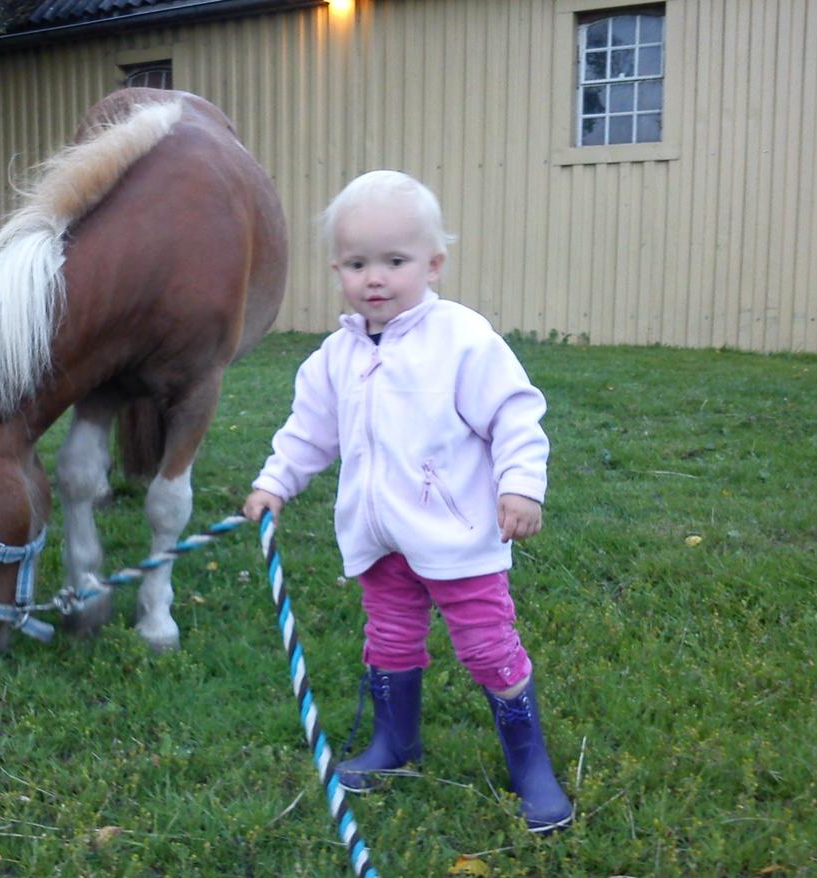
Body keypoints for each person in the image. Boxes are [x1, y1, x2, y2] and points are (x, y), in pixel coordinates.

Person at [242, 170, 573, 833]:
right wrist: (277, 481)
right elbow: (310, 432)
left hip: (458, 537)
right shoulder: (333, 358)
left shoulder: (462, 340)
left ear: (433, 263)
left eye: (395, 261)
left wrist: (519, 486)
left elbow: (514, 416)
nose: (376, 278)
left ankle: (529, 762)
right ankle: (396, 743)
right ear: (337, 268)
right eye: (358, 263)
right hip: (380, 540)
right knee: (389, 638)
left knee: (486, 645)